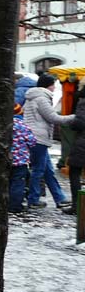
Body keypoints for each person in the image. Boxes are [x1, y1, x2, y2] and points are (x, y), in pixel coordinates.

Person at [23, 73, 74, 209]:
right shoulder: (41, 98)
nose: (54, 88)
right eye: (53, 85)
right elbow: (53, 118)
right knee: (38, 170)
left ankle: (60, 198)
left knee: (48, 170)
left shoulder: (33, 97)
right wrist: (74, 117)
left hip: (35, 137)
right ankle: (33, 200)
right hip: (38, 138)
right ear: (48, 85)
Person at [9, 104, 36, 213]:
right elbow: (32, 142)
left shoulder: (4, 125)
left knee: (7, 182)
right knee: (18, 183)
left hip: (6, 159)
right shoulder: (23, 126)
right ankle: (15, 206)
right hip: (20, 161)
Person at [65, 78, 85, 216]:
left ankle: (77, 206)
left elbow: (80, 123)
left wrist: (72, 122)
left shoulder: (83, 101)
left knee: (74, 172)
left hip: (82, 142)